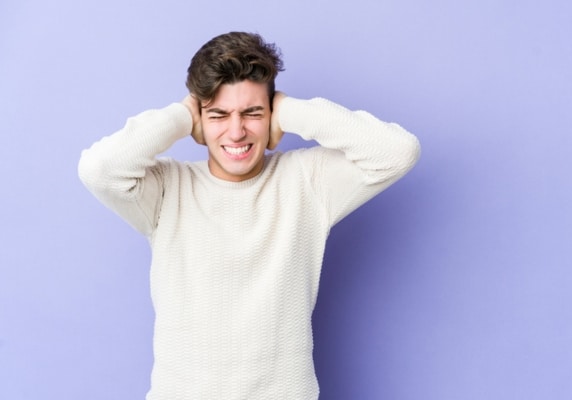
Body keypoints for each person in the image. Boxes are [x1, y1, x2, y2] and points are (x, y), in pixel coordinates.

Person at [78, 31, 420, 400]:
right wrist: (178, 117)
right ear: (200, 121)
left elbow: (398, 152)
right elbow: (99, 169)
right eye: (218, 114)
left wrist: (292, 111)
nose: (237, 131)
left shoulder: (308, 181)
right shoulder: (164, 190)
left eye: (252, 112)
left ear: (270, 114)